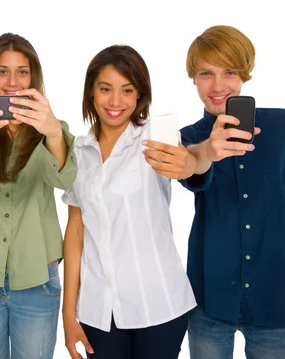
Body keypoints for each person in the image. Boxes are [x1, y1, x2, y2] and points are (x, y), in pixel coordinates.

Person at [62, 45, 197, 359]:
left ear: (140, 96)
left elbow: (193, 160)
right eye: (105, 89)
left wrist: (193, 160)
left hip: (159, 306)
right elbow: (75, 233)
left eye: (127, 90)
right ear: (91, 93)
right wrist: (69, 314)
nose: (115, 101)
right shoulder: (78, 152)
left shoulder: (157, 138)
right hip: (98, 311)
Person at [0, 32, 77, 359]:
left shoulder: (53, 128)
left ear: (33, 76)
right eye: (2, 71)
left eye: (22, 71)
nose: (12, 81)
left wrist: (51, 131)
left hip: (37, 277)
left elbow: (64, 178)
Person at [178, 25, 285, 358]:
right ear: (194, 78)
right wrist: (206, 153)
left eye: (229, 71)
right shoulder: (187, 139)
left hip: (278, 296)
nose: (217, 86)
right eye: (206, 73)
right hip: (209, 297)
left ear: (244, 73)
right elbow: (190, 171)